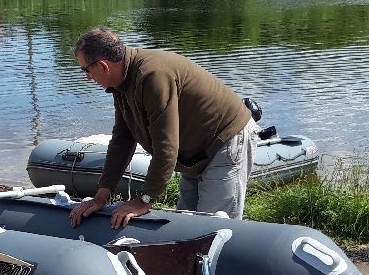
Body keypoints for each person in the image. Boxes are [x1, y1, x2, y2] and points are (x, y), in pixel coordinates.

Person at [68, 27, 257, 229]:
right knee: (186, 224)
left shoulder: (152, 76)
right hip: (193, 154)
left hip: (224, 141)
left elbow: (165, 145)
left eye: (85, 70)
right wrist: (101, 197)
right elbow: (122, 139)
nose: (87, 77)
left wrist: (145, 200)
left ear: (104, 66)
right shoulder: (119, 84)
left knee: (214, 228)